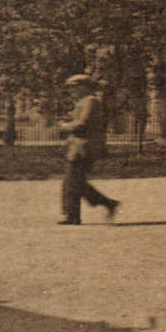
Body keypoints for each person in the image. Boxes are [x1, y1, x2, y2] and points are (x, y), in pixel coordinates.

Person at [57, 73, 118, 225]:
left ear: (85, 87)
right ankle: (107, 204)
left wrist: (65, 126)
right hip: (79, 147)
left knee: (72, 181)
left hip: (86, 147)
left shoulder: (90, 101)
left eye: (74, 87)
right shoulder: (84, 102)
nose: (72, 91)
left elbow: (82, 124)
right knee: (75, 181)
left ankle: (72, 215)